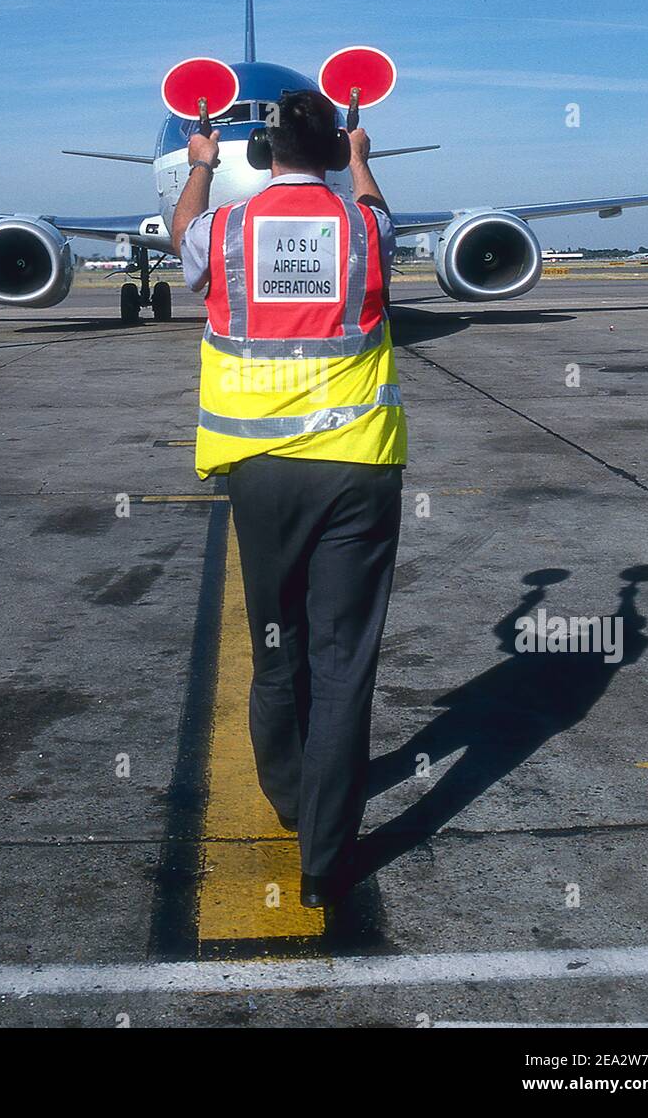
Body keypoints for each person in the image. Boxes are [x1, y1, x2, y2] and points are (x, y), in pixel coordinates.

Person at [172, 90, 406, 907]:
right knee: (344, 664)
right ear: (336, 156)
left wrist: (201, 169)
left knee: (278, 650)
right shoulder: (365, 229)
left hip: (260, 471)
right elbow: (379, 214)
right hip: (357, 469)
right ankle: (324, 859)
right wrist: (365, 154)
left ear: (262, 158)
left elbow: (181, 241)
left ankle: (289, 799)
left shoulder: (225, 231)